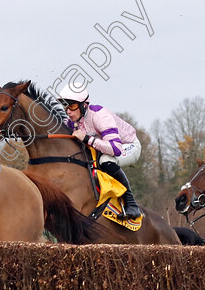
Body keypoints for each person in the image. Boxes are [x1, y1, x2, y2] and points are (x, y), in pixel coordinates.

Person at [57, 86, 142, 219]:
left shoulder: (100, 116)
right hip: (103, 149)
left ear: (84, 105)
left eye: (72, 106)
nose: (68, 111)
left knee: (105, 161)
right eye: (65, 107)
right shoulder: (71, 122)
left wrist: (86, 138)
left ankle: (131, 204)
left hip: (128, 146)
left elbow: (115, 149)